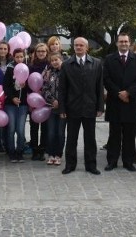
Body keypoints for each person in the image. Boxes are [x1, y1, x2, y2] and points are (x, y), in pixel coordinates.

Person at [59, 37, 104, 175]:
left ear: (87, 48)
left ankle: (91, 165)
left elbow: (99, 87)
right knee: (71, 138)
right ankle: (70, 165)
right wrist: (62, 108)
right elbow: (62, 89)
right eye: (76, 45)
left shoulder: (96, 64)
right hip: (73, 107)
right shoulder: (66, 65)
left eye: (81, 45)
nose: (78, 47)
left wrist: (100, 107)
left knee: (90, 138)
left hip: (90, 107)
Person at [103, 33, 136, 172]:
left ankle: (128, 162)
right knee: (114, 134)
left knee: (129, 134)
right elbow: (106, 79)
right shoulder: (109, 59)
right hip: (115, 102)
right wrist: (118, 93)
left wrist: (128, 93)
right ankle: (112, 161)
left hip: (130, 102)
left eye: (126, 41)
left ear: (130, 43)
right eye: (121, 41)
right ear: (117, 43)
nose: (123, 44)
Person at [3, 48, 29, 163]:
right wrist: (12, 97)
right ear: (14, 57)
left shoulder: (27, 68)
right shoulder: (10, 69)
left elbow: (32, 86)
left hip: (23, 104)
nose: (19, 59)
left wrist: (25, 86)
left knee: (20, 129)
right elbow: (6, 86)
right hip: (10, 104)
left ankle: (20, 151)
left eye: (21, 57)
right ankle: (11, 152)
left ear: (24, 57)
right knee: (11, 128)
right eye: (17, 57)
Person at [42, 51, 66, 166]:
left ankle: (58, 155)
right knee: (51, 132)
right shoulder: (48, 73)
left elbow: (69, 90)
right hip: (51, 107)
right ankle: (51, 154)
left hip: (63, 108)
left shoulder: (66, 73)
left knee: (60, 133)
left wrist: (60, 102)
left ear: (61, 60)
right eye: (52, 60)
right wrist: (52, 100)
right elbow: (45, 89)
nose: (55, 62)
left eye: (57, 60)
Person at [29, 42, 50, 161]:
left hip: (46, 100)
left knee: (45, 128)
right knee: (33, 127)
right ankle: (34, 150)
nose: (41, 53)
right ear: (35, 53)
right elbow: (28, 83)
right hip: (33, 100)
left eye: (43, 51)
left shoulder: (49, 65)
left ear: (47, 53)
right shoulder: (31, 66)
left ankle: (42, 150)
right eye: (39, 51)